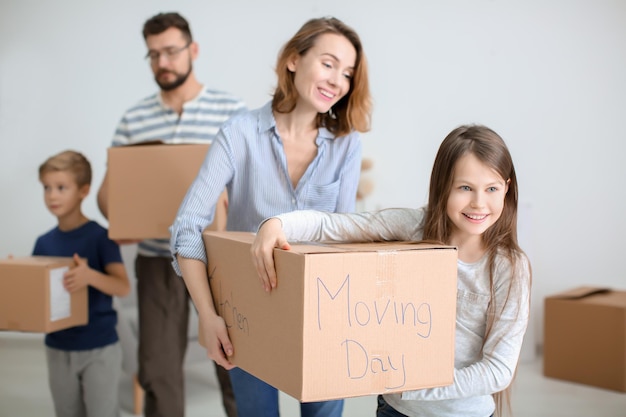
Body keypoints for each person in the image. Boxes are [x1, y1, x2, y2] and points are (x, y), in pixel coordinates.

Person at [252, 125, 532, 417]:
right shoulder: (414, 228)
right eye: (465, 188)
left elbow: (498, 370)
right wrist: (276, 224)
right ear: (443, 186)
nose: (478, 203)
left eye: (491, 189)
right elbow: (335, 226)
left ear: (507, 188)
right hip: (395, 410)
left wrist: (414, 386)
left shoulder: (509, 268)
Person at [170, 16, 372, 417]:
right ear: (294, 60)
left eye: (347, 73)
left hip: (323, 314)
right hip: (248, 313)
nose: (338, 81)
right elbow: (185, 229)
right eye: (329, 64)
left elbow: (343, 236)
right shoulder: (239, 133)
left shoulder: (347, 145)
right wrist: (208, 317)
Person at [96, 12, 246, 417]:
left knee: (239, 364)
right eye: (153, 55)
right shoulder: (133, 118)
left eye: (171, 51)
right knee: (158, 368)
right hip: (158, 258)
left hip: (221, 259)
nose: (162, 62)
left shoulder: (232, 111)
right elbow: (110, 193)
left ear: (192, 50)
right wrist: (120, 218)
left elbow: (248, 185)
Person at [33, 150, 130, 417]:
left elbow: (122, 287)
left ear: (83, 190)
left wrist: (89, 277)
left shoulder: (100, 237)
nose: (52, 195)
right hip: (58, 347)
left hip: (99, 347)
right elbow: (38, 298)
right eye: (47, 188)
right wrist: (22, 278)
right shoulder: (43, 242)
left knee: (102, 412)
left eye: (61, 187)